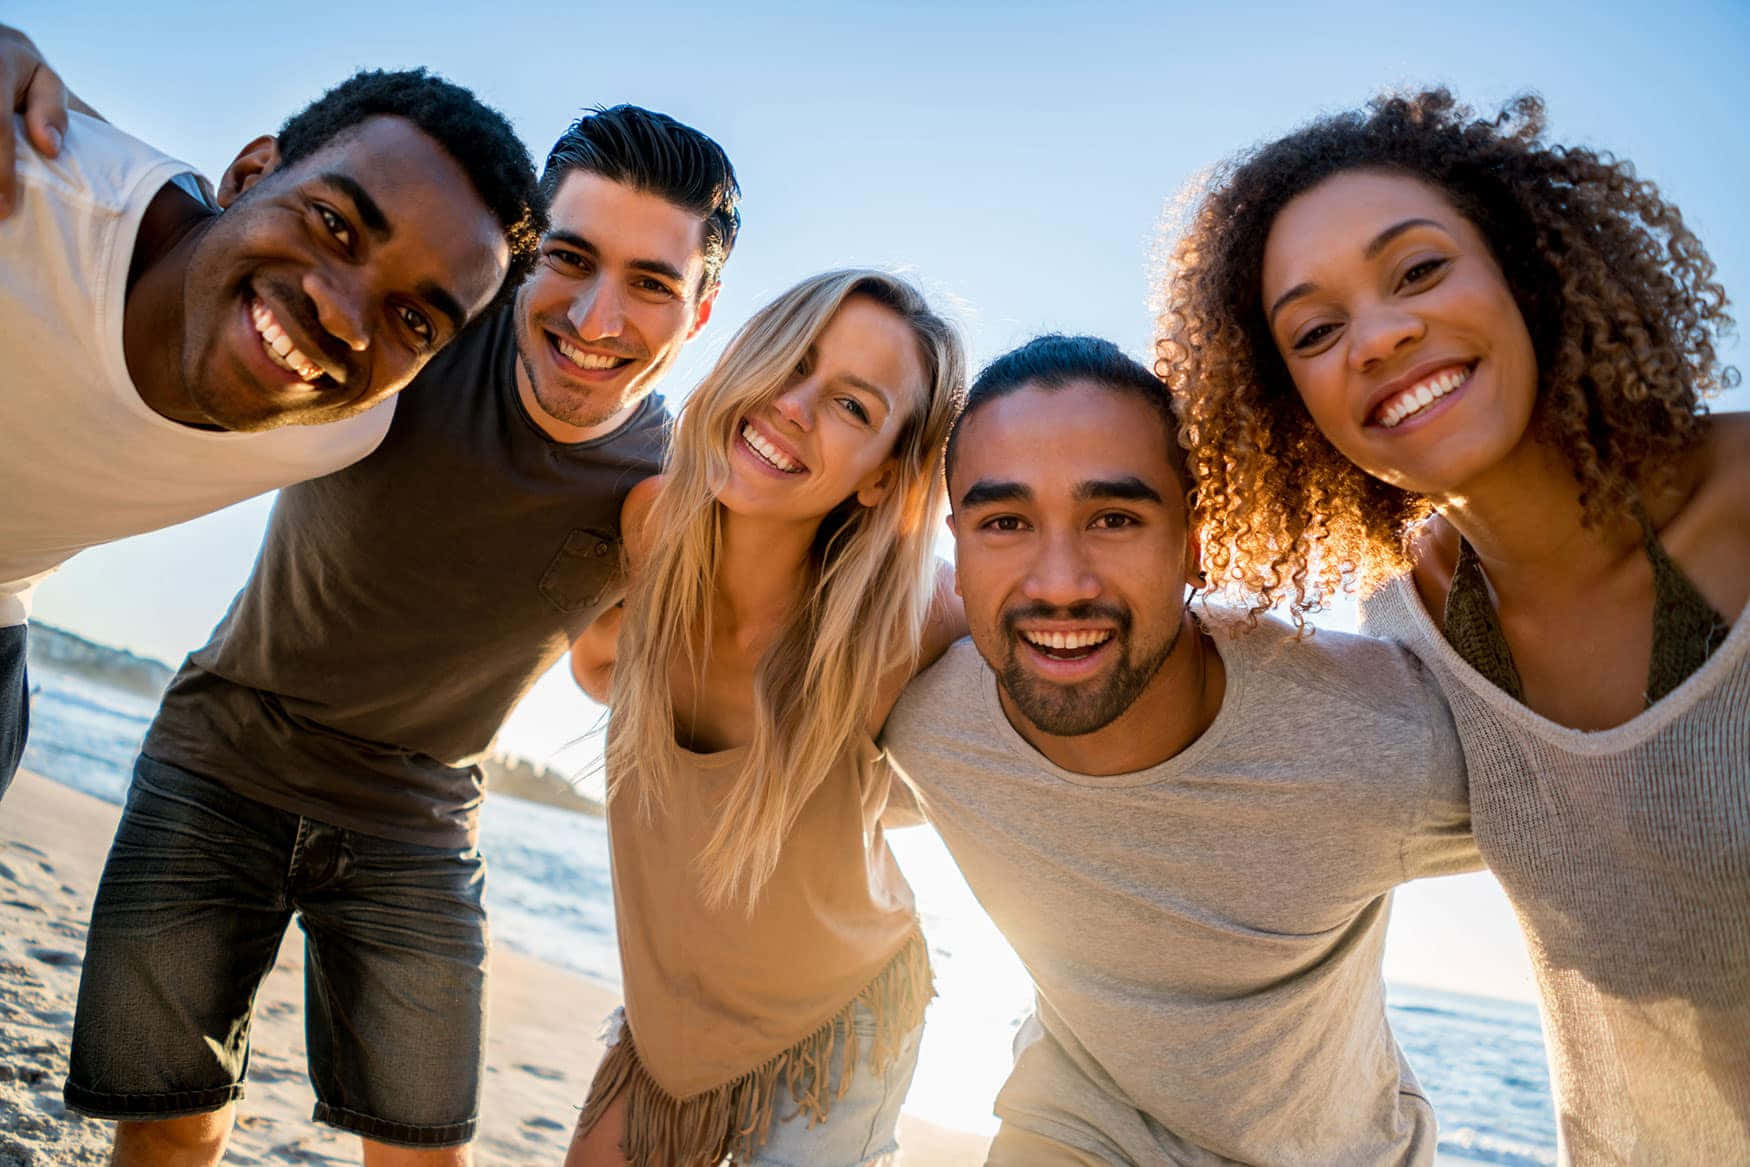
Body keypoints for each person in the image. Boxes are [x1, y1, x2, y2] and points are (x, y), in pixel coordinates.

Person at [63, 106, 737, 1167]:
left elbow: (627, 670)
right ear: (521, 261)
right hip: (221, 758)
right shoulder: (408, 331)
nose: (599, 317)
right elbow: (205, 222)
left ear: (699, 315)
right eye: (569, 259)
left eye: (652, 282)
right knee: (170, 1122)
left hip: (416, 824)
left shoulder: (669, 494)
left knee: (423, 1153)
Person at [1156, 89, 1749, 1160]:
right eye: (1315, 330)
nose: (1379, 337)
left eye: (1418, 270)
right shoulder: (1407, 623)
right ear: (1288, 402)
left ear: (1523, 267)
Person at [880, 334, 1479, 1165]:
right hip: (1074, 1126)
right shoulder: (923, 719)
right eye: (1006, 521)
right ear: (959, 542)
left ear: (1196, 540)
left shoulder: (1378, 740)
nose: (1059, 581)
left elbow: (1610, 814)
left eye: (1115, 518)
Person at [0, 26, 541, 800]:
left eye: (415, 321)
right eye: (334, 225)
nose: (344, 316)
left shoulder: (347, 423)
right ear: (250, 172)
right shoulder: (28, 196)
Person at [564, 269, 966, 1166]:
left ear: (881, 480)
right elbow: (596, 668)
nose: (792, 406)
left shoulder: (909, 619)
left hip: (841, 1020)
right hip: (671, 1016)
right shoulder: (648, 525)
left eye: (853, 408)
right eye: (791, 360)